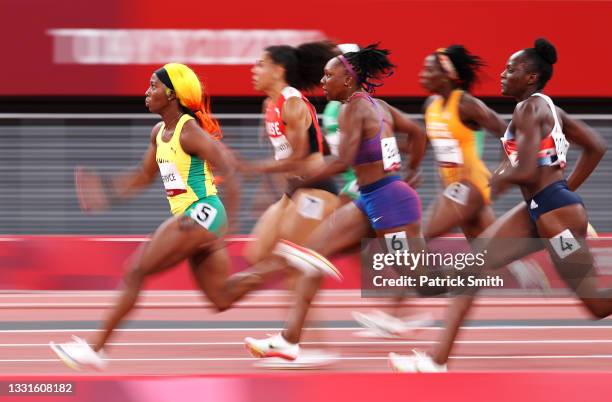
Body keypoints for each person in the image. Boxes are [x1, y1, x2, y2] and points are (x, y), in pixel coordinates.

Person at [389, 38, 610, 372]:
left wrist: (496, 182)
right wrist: (562, 191)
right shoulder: (548, 109)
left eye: (512, 68)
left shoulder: (530, 108)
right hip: (542, 208)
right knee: (471, 269)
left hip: (556, 217)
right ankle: (436, 361)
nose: (503, 74)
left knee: (596, 304)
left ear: (531, 77)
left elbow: (526, 169)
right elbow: (595, 145)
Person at [49, 63, 266, 370]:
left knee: (135, 270)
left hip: (202, 212)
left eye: (153, 86)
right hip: (202, 217)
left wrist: (228, 224)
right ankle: (284, 264)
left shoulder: (189, 130)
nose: (147, 92)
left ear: (171, 94)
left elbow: (229, 167)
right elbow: (143, 175)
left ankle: (95, 349)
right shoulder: (159, 133)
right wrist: (106, 193)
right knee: (222, 298)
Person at [244, 44, 429, 361]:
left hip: (391, 204)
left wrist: (305, 177)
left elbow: (343, 160)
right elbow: (417, 133)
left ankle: (497, 268)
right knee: (311, 257)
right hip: (369, 200)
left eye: (329, 75)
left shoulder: (353, 109)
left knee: (422, 278)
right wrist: (409, 170)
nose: (323, 80)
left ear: (348, 78)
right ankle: (289, 340)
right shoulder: (376, 105)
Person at [353, 45, 514, 336]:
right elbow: (426, 142)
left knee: (420, 236)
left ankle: (394, 312)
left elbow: (508, 133)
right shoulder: (431, 106)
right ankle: (527, 267)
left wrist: (505, 173)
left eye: (429, 69)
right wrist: (406, 166)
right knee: (489, 252)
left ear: (448, 75)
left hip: (471, 185)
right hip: (454, 187)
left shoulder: (465, 104)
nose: (422, 73)